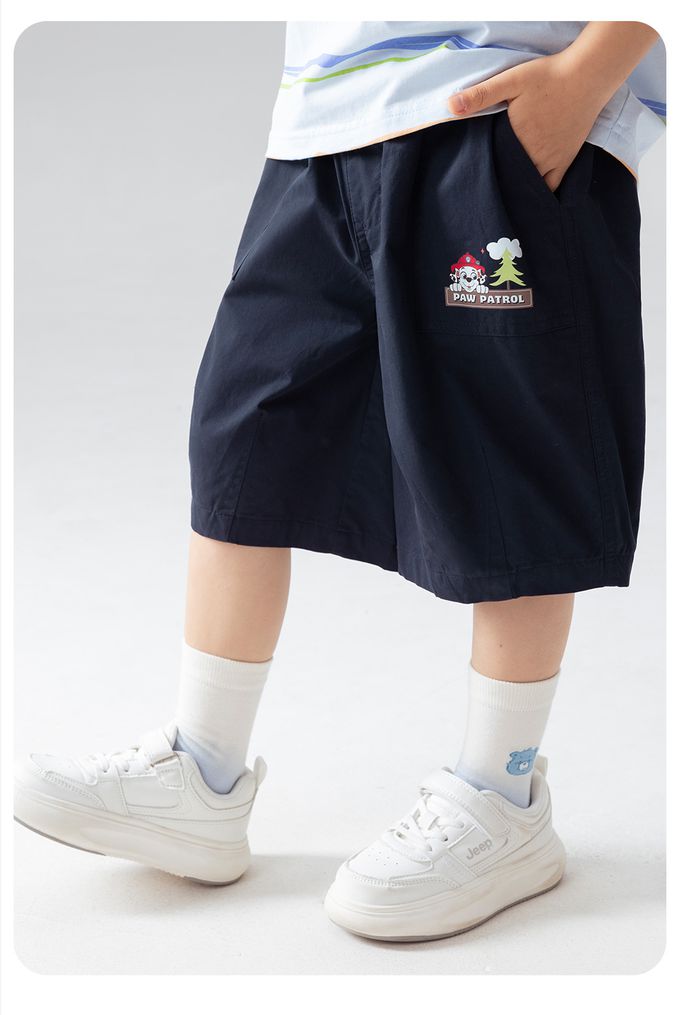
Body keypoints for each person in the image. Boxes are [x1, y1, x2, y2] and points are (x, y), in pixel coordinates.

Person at [15, 21, 664, 942]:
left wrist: (583, 81)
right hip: (323, 118)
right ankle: (204, 772)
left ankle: (503, 793)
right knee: (243, 432)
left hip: (495, 102)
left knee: (510, 455)